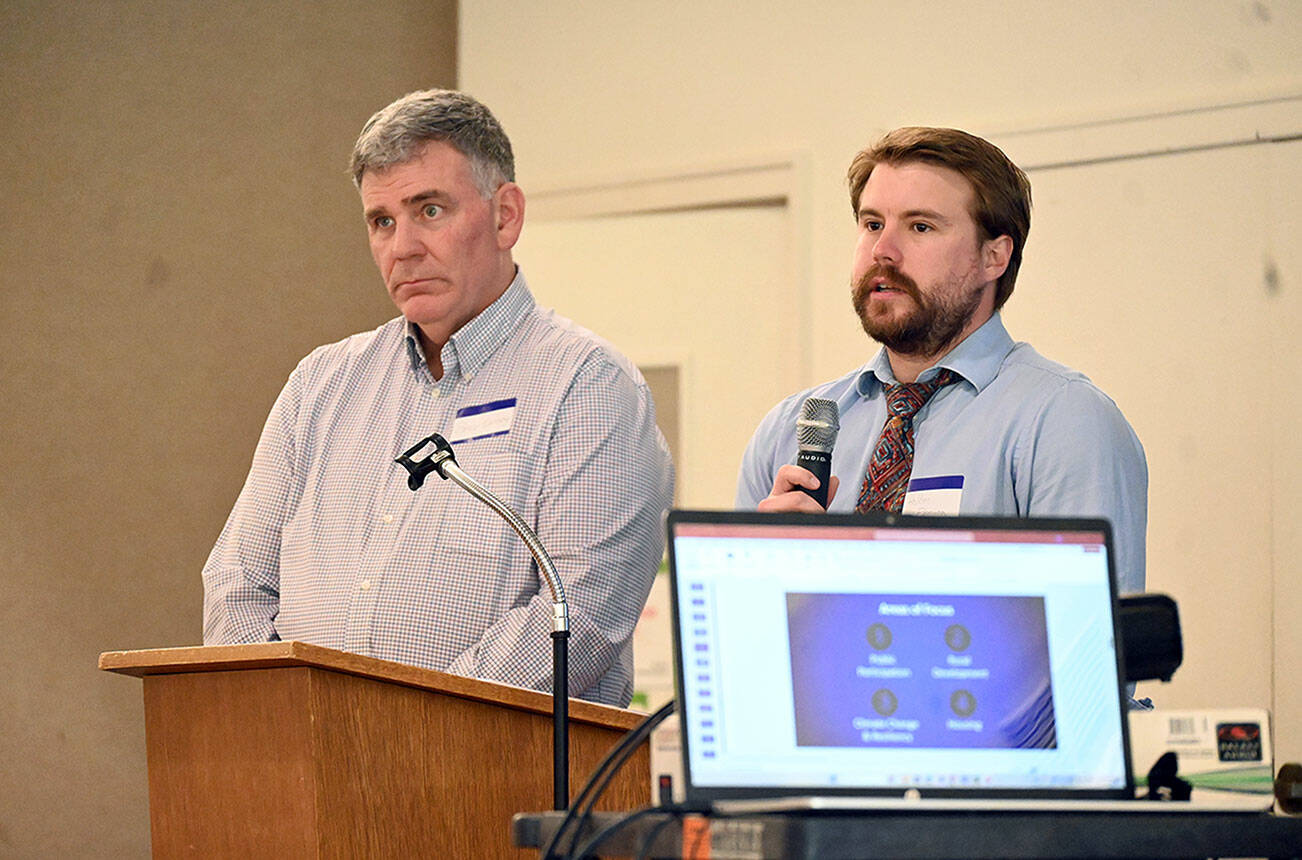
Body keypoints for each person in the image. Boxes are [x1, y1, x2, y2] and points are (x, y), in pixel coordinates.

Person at [203, 89, 673, 707]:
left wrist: (400, 730)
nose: (402, 248)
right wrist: (290, 719)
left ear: (506, 216)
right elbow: (237, 584)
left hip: (492, 785)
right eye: (382, 221)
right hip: (306, 774)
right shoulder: (320, 385)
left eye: (429, 210)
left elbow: (578, 616)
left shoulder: (589, 388)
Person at [736, 127, 1147, 597]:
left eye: (920, 227)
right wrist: (765, 578)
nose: (882, 252)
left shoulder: (1063, 422)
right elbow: (741, 653)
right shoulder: (788, 430)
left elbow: (1087, 655)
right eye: (872, 224)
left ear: (994, 256)